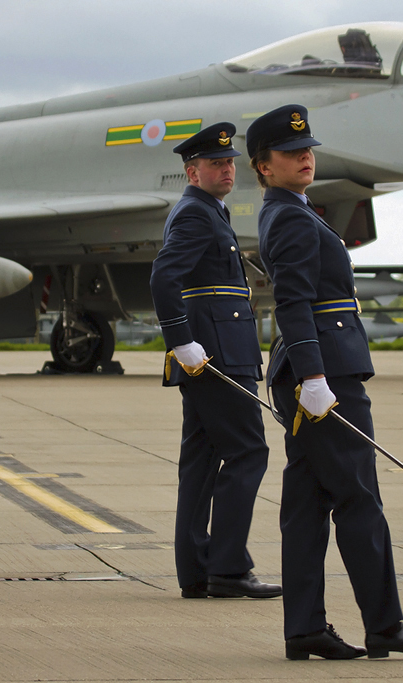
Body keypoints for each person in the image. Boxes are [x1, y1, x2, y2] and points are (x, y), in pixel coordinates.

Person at [247, 104, 403, 660]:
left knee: (307, 505)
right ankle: (385, 625)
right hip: (325, 372)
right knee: (359, 499)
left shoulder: (291, 211)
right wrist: (314, 376)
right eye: (290, 152)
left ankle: (305, 628)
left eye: (307, 149)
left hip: (317, 369)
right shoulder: (289, 217)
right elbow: (293, 302)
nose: (304, 157)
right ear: (263, 166)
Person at [150, 123, 281, 600]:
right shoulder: (195, 213)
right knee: (248, 452)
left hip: (215, 350)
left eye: (229, 163)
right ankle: (228, 567)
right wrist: (181, 342)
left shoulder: (208, 211)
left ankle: (197, 570)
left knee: (202, 460)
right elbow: (164, 277)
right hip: (216, 354)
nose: (226, 170)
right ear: (193, 172)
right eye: (215, 164)